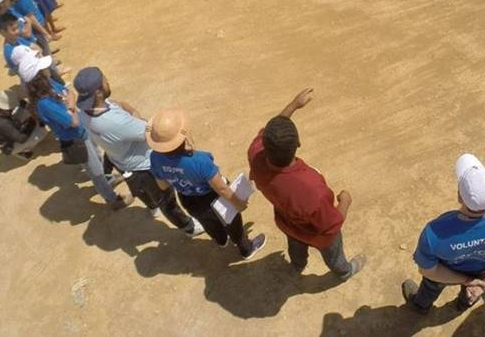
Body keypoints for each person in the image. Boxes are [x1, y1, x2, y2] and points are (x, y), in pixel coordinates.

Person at [248, 88, 365, 280]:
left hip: (288, 224)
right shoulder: (312, 190)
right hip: (318, 235)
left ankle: (298, 265)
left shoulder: (255, 155)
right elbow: (331, 226)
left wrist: (293, 106)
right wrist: (345, 202)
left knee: (295, 245)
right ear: (298, 144)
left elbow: (271, 132)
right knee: (333, 255)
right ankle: (345, 272)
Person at [74, 67, 204, 237]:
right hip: (144, 167)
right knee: (166, 199)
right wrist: (133, 112)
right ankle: (189, 227)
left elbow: (115, 105)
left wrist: (121, 108)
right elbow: (150, 131)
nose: (108, 82)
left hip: (120, 160)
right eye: (104, 80)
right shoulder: (115, 122)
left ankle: (152, 207)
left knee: (142, 192)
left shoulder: (85, 112)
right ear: (98, 92)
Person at [401, 154, 485, 313]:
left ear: (460, 196)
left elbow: (428, 270)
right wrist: (482, 284)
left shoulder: (434, 232)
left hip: (446, 272)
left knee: (430, 287)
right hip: (484, 270)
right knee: (472, 293)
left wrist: (466, 280)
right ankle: (464, 304)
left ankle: (421, 306)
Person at [147, 110, 266, 257]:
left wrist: (177, 176)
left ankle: (221, 240)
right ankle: (246, 249)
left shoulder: (154, 157)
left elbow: (163, 186)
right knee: (232, 222)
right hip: (212, 197)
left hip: (188, 200)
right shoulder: (200, 160)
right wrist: (238, 204)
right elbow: (221, 188)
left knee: (208, 223)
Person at [20, 53, 131, 209]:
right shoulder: (44, 103)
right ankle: (112, 200)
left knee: (98, 156)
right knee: (95, 172)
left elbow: (69, 92)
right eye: (42, 67)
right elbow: (73, 121)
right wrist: (71, 106)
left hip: (83, 130)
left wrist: (69, 105)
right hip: (76, 138)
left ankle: (108, 180)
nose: (47, 68)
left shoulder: (48, 84)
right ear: (38, 76)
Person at [0, 84, 48, 159]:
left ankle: (20, 129)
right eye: (10, 109)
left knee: (22, 110)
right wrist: (33, 120)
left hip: (1, 133)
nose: (12, 109)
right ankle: (22, 151)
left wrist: (30, 108)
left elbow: (20, 102)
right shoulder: (2, 124)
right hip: (8, 145)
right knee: (41, 132)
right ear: (5, 109)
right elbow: (22, 138)